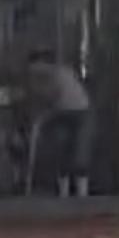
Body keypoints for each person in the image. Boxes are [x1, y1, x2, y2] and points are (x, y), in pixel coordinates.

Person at [25, 50, 93, 198]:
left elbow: (55, 98)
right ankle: (71, 194)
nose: (34, 70)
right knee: (66, 153)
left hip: (76, 113)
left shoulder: (55, 75)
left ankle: (77, 195)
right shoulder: (60, 72)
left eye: (36, 66)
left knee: (76, 153)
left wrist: (42, 119)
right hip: (73, 112)